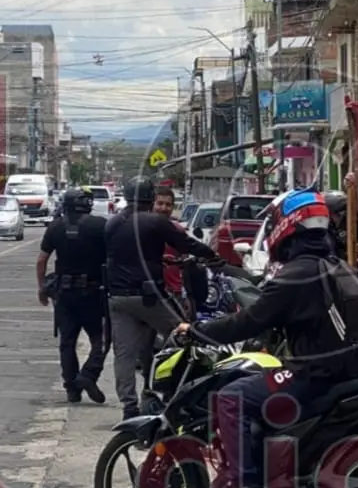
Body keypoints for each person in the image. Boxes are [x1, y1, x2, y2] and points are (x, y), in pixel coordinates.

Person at [176, 188, 358, 488]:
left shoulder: (296, 274)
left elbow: (250, 322)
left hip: (318, 376)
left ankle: (245, 486)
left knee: (232, 397)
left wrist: (196, 331)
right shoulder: (338, 266)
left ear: (285, 227)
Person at [105, 177, 221, 418]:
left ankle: (129, 407)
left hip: (118, 297)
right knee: (187, 335)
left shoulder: (113, 223)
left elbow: (126, 256)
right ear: (150, 199)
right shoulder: (155, 222)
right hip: (149, 297)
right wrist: (214, 257)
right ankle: (181, 394)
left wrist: (161, 260)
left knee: (124, 355)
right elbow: (187, 243)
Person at [37, 188, 109, 403]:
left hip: (64, 294)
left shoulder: (55, 226)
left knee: (67, 342)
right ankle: (88, 374)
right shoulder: (100, 225)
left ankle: (71, 388)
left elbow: (41, 260)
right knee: (102, 339)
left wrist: (42, 288)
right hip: (94, 292)